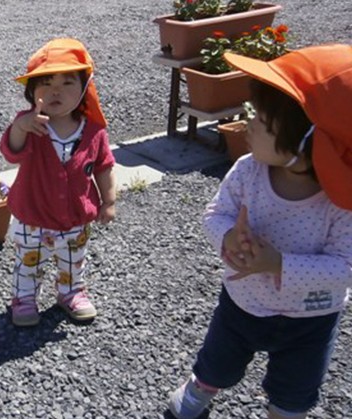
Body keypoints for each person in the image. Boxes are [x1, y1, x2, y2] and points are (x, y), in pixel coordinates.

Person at [167, 44, 352, 419]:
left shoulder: (340, 202)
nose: (247, 122)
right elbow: (216, 212)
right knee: (218, 360)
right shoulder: (249, 170)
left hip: (310, 318)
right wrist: (227, 237)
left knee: (294, 390)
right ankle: (201, 388)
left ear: (310, 145)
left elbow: (345, 268)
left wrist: (278, 263)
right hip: (243, 300)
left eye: (261, 121)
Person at [0, 38, 117, 327]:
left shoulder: (92, 129)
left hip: (75, 215)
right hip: (33, 216)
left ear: (84, 88)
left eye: (67, 83)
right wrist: (19, 128)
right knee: (29, 261)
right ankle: (24, 298)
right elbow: (10, 152)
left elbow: (104, 166)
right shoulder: (30, 125)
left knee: (73, 259)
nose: (55, 91)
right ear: (31, 91)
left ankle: (71, 292)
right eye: (45, 83)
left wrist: (109, 201)